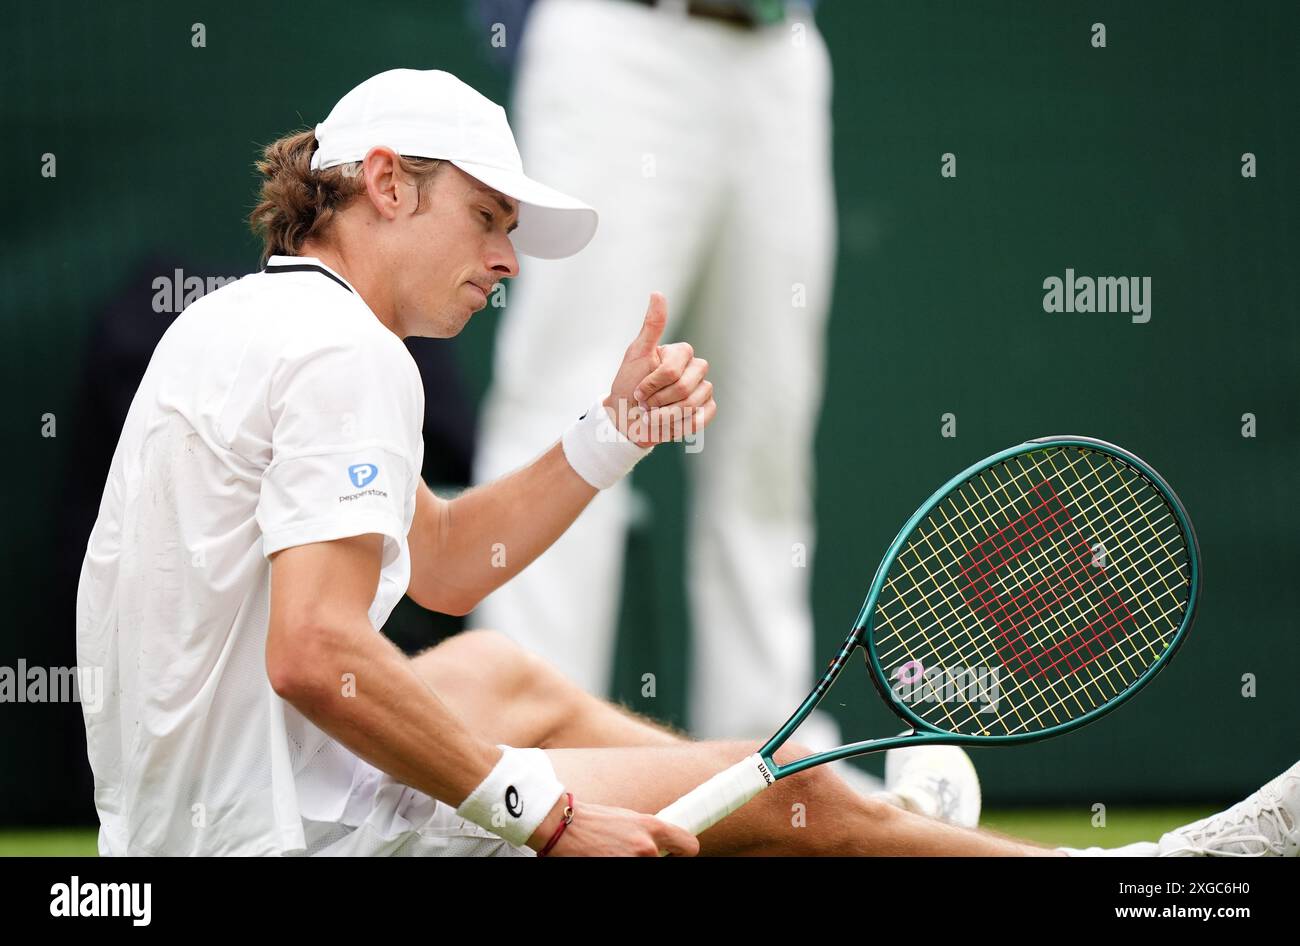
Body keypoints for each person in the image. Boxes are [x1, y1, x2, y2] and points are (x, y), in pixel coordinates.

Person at [75, 68, 1299, 857]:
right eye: (490, 219)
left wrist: (608, 434)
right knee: (769, 791)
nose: (508, 261)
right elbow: (316, 654)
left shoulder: (243, 320)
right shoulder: (350, 357)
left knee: (493, 663)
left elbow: (441, 568)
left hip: (177, 820)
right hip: (269, 839)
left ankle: (893, 836)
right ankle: (1132, 882)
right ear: (386, 184)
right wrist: (546, 816)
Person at [471, 0, 852, 756]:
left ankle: (769, 767)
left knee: (769, 431)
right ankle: (521, 755)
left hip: (782, 48)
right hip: (619, 36)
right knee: (569, 402)